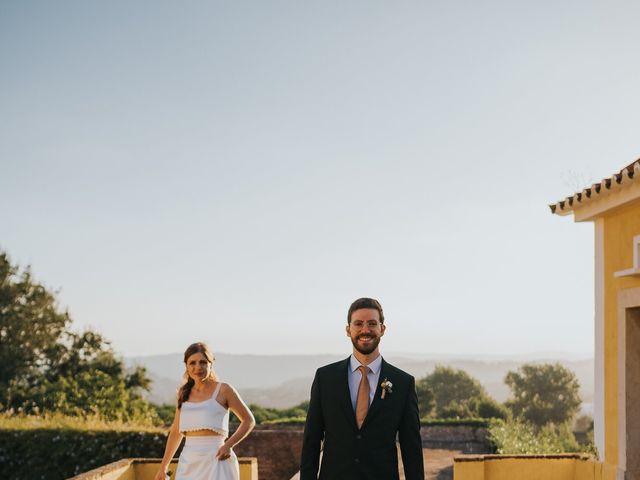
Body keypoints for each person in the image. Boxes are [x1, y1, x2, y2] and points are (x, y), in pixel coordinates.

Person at [300, 297, 424, 480]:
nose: (365, 330)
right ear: (348, 330)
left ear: (382, 329)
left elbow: (411, 447)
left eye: (372, 324)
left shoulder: (403, 383)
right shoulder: (325, 378)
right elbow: (311, 440)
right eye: (358, 324)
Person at [154, 342, 255, 480]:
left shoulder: (224, 390)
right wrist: (163, 467)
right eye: (192, 363)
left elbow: (248, 420)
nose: (197, 367)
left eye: (203, 362)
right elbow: (176, 432)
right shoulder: (183, 393)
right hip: (188, 463)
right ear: (186, 366)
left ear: (210, 364)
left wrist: (228, 445)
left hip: (217, 459)